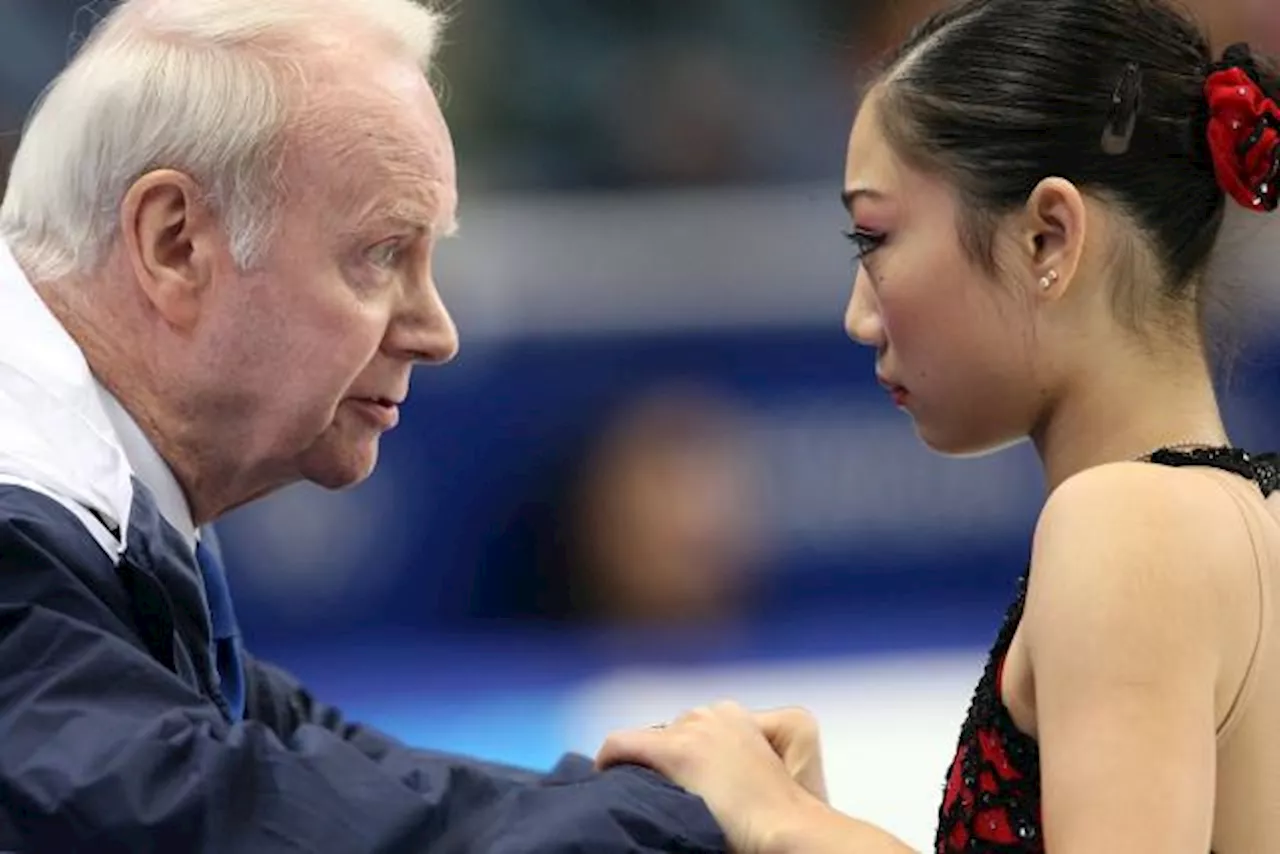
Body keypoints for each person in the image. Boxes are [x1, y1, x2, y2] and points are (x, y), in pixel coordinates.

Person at [0, 0, 728, 851]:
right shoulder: (23, 513)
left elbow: (298, 763)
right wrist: (698, 822)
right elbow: (216, 819)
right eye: (382, 253)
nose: (437, 332)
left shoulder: (88, 487)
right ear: (175, 244)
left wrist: (686, 797)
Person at [596, 0, 1280, 852]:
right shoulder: (1244, 516)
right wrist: (823, 827)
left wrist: (783, 820)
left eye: (874, 237)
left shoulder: (1123, 525)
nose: (859, 316)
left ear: (1047, 238)